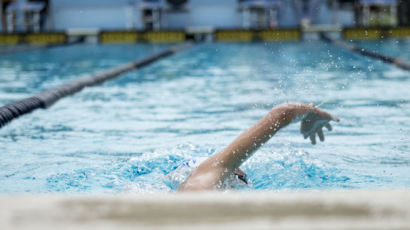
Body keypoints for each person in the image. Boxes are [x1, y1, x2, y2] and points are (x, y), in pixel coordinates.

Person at [178, 102, 339, 191]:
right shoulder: (201, 185)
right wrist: (314, 112)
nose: (241, 175)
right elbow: (283, 112)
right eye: (237, 175)